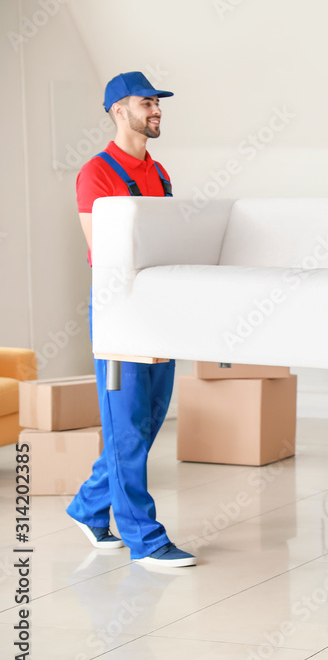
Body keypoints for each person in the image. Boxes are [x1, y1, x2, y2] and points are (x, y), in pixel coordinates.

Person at [67, 71, 196, 568]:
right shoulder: (95, 174)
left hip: (158, 310)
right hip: (120, 312)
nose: (157, 110)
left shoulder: (158, 173)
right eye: (147, 103)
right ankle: (144, 538)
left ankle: (87, 507)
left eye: (158, 103)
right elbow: (103, 252)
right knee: (125, 427)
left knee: (145, 421)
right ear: (119, 110)